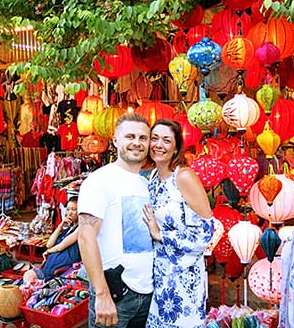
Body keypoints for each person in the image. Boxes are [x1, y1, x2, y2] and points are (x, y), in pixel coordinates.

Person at [78, 113, 154, 328]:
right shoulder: (100, 180)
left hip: (147, 291)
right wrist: (101, 294)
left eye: (143, 138)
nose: (137, 143)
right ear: (115, 140)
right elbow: (86, 237)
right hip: (116, 292)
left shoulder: (146, 183)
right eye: (130, 136)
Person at [142, 119, 214, 328]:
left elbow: (205, 232)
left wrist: (160, 234)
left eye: (166, 140)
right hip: (159, 275)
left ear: (175, 148)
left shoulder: (183, 176)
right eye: (154, 139)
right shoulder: (154, 177)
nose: (158, 145)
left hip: (183, 277)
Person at [22, 197, 81, 283]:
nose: (70, 213)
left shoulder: (80, 229)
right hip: (51, 265)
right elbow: (49, 244)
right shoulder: (67, 230)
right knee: (28, 276)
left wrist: (48, 252)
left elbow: (60, 247)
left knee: (29, 276)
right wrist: (60, 225)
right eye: (68, 209)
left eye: (73, 209)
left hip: (62, 268)